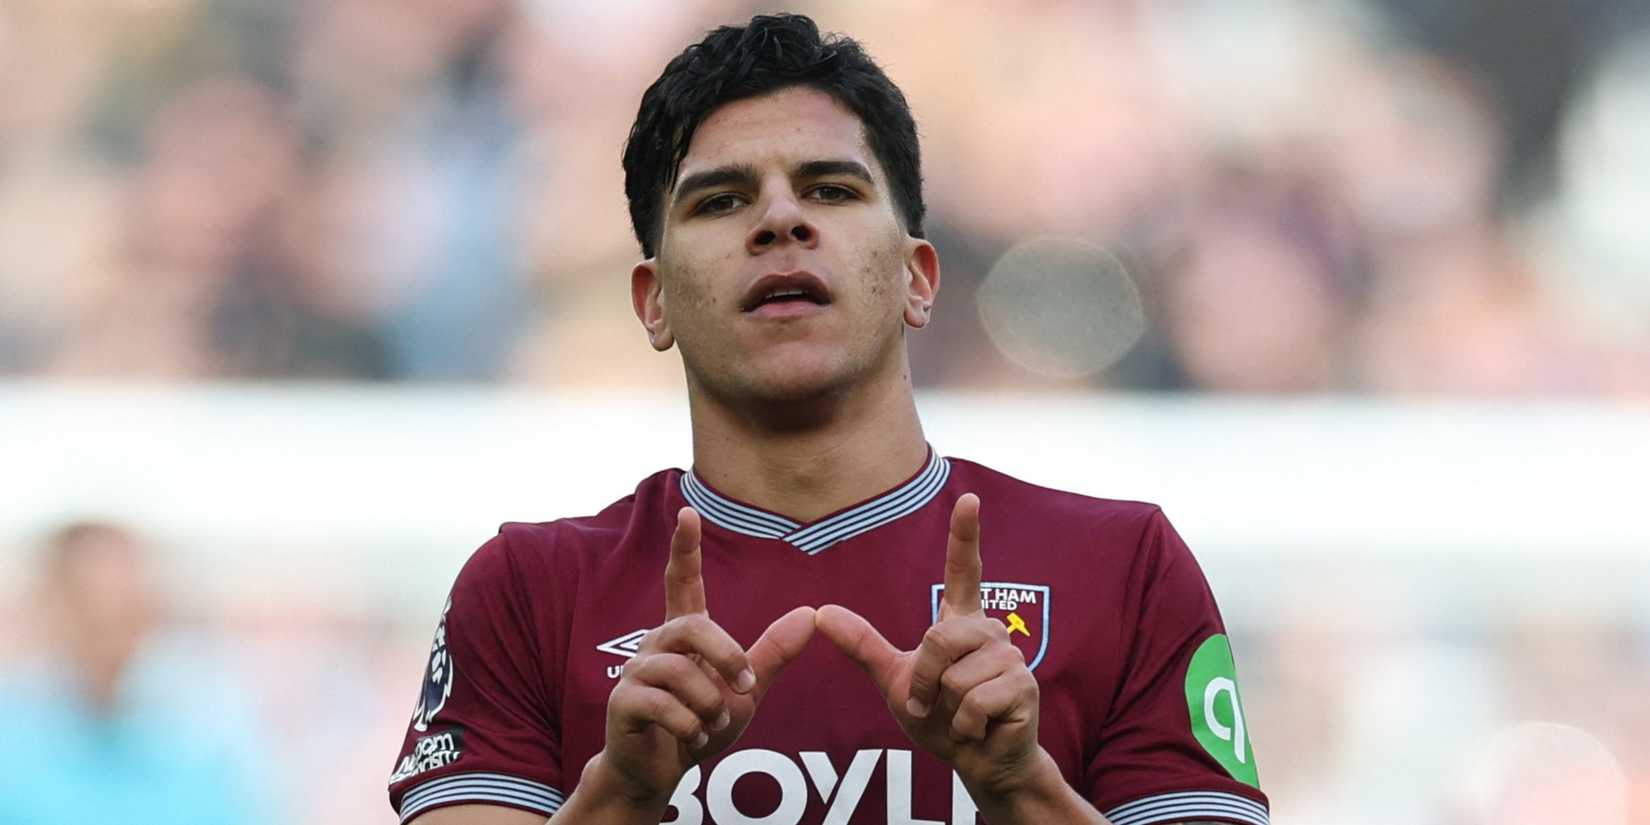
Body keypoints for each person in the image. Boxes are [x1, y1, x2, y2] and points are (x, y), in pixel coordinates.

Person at [388, 14, 1269, 825]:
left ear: (919, 277)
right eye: (721, 200)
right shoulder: (523, 592)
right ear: (652, 302)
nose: (780, 219)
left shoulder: (1125, 571)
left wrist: (1019, 788)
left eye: (832, 190)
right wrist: (620, 793)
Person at [0, 522, 276, 825]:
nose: (110, 632)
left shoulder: (198, 741)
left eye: (125, 609)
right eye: (91, 606)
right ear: (51, 606)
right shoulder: (14, 743)